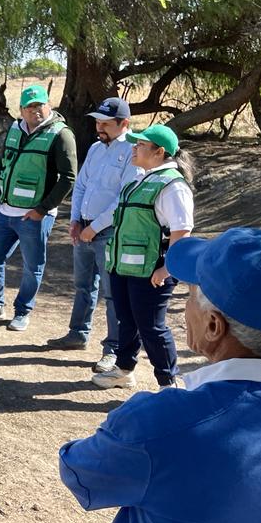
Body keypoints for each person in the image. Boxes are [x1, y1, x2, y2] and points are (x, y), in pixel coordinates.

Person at [60, 227, 261, 523]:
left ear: (215, 326)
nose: (184, 308)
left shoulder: (163, 420)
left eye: (192, 295)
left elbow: (80, 472)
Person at [0, 84, 76, 332]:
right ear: (21, 110)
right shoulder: (14, 129)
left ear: (48, 105)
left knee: (32, 266)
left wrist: (42, 210)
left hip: (34, 216)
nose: (35, 110)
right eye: (29, 106)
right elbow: (1, 164)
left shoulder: (61, 134)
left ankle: (23, 311)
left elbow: (68, 178)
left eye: (39, 105)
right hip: (5, 211)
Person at [92, 124, 194, 389]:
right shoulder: (139, 179)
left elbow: (182, 231)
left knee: (152, 327)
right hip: (124, 267)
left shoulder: (172, 185)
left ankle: (168, 384)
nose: (134, 148)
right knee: (126, 321)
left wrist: (166, 268)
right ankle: (124, 369)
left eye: (140, 145)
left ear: (160, 152)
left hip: (152, 272)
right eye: (135, 143)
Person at [47, 98, 142, 373]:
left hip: (108, 233)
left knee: (113, 295)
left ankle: (112, 350)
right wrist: (75, 219)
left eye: (105, 123)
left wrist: (94, 227)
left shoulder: (133, 152)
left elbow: (122, 200)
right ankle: (77, 333)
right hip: (85, 228)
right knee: (83, 286)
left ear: (123, 124)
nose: (99, 127)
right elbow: (81, 186)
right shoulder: (96, 148)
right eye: (98, 121)